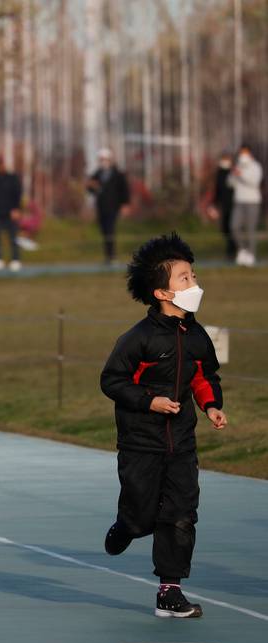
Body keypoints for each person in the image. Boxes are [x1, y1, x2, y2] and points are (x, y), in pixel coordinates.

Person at [100, 233, 226, 619]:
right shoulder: (137, 339)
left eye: (193, 275)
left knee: (182, 512)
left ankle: (170, 591)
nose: (194, 284)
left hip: (182, 444)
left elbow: (204, 376)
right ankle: (127, 525)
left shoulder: (198, 335)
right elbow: (113, 381)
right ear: (162, 293)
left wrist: (211, 406)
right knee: (142, 515)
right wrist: (149, 400)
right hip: (141, 442)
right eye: (184, 279)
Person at [86, 148, 131, 265]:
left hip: (113, 206)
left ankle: (112, 255)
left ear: (110, 159)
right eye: (101, 159)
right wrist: (91, 186)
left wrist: (125, 204)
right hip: (101, 207)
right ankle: (108, 256)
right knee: (104, 231)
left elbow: (124, 190)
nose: (103, 161)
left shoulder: (118, 174)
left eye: (105, 159)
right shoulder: (97, 174)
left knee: (110, 230)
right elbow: (90, 188)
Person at [0, 157, 24, 272]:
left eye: (0, 165)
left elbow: (17, 193)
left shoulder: (12, 178)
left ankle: (15, 260)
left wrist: (16, 209)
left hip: (11, 213)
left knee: (13, 237)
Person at [228, 145, 263, 267]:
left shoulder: (255, 167)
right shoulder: (238, 166)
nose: (243, 156)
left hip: (252, 201)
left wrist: (241, 174)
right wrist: (233, 174)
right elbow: (230, 183)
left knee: (250, 229)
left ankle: (251, 255)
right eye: (241, 153)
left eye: (245, 153)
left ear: (250, 154)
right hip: (239, 201)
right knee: (234, 226)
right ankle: (242, 250)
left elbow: (254, 182)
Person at [208, 153, 236, 262]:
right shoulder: (219, 173)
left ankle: (232, 252)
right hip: (223, 205)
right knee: (225, 228)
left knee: (232, 228)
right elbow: (217, 190)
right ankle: (231, 250)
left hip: (233, 204)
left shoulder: (233, 172)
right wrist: (214, 204)